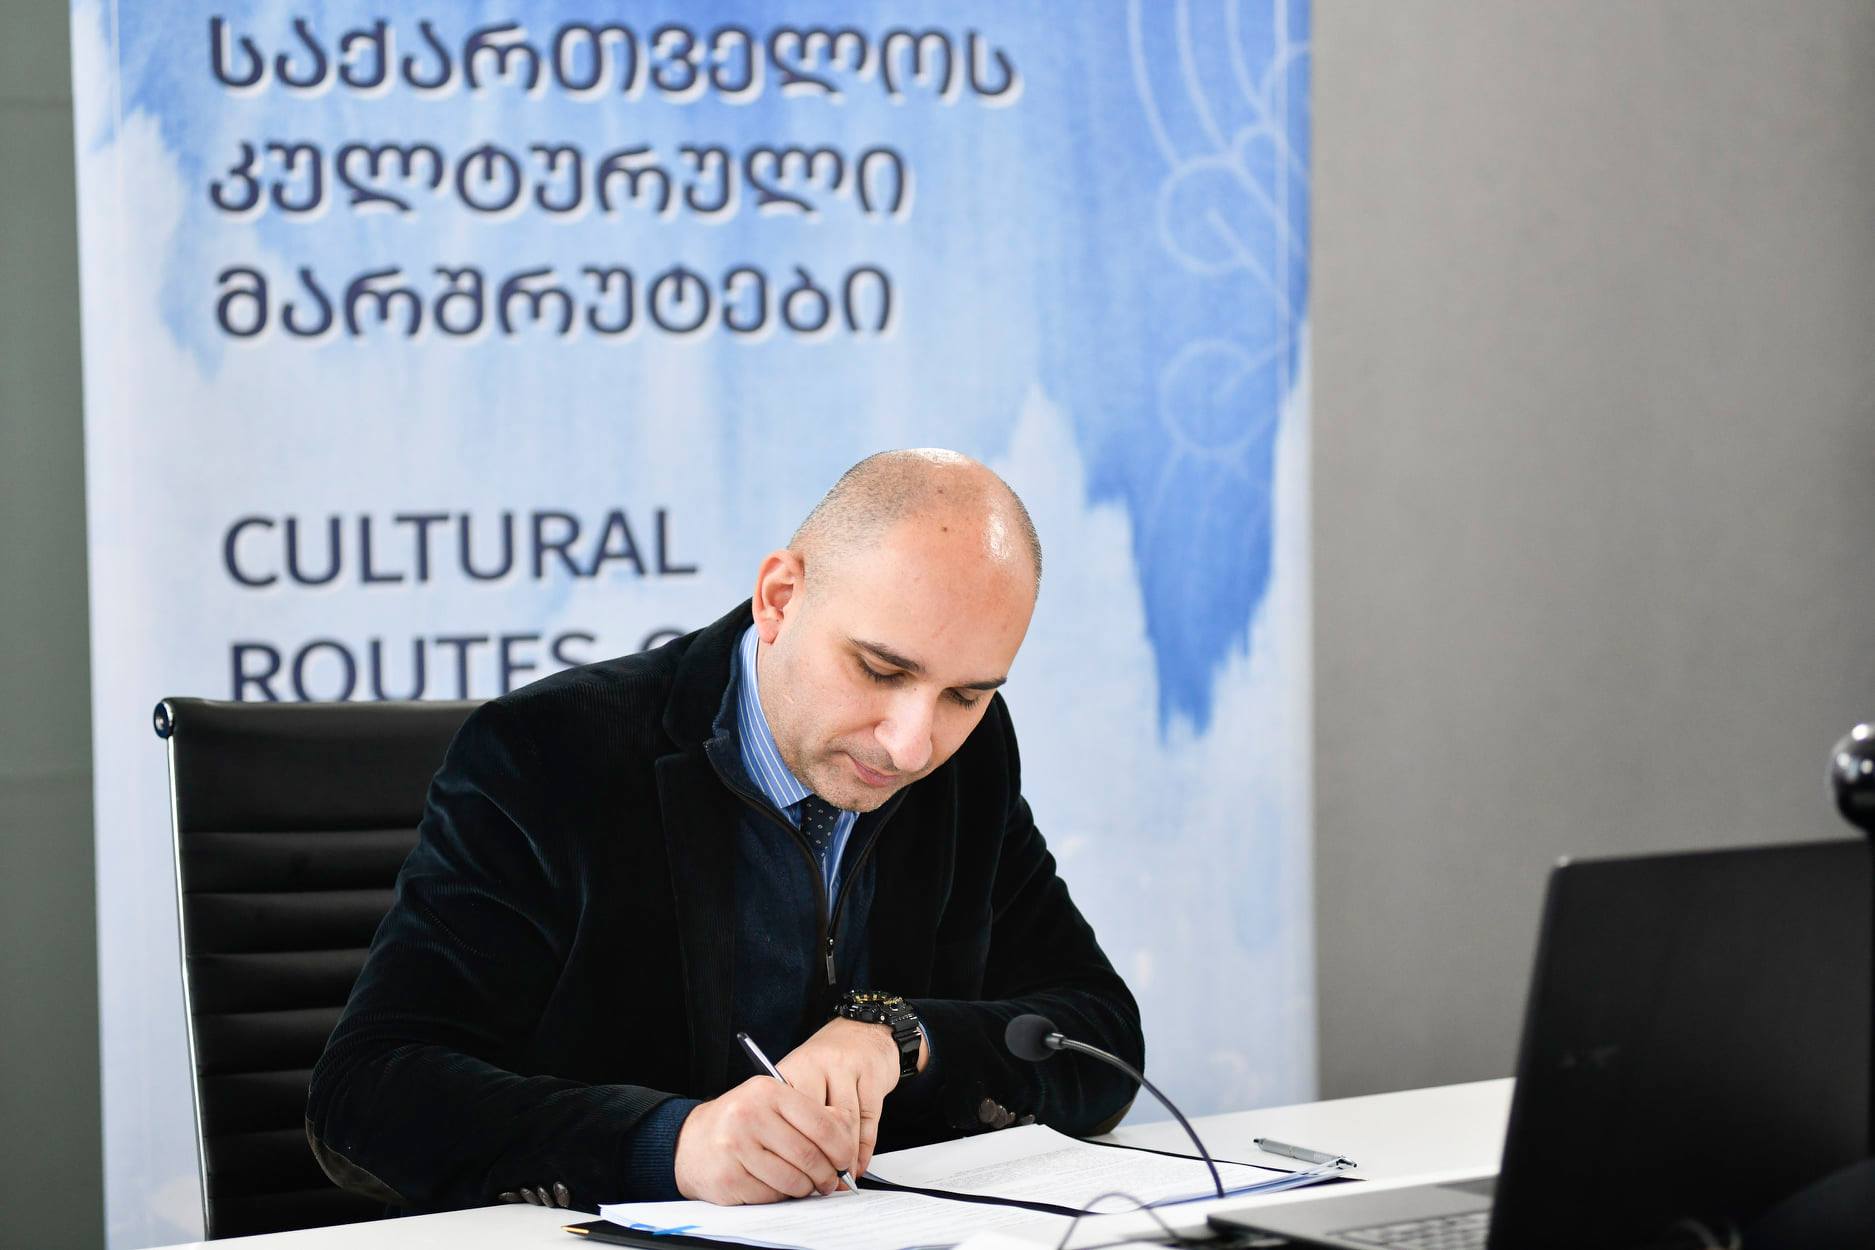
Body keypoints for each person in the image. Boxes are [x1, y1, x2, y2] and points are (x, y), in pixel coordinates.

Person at [306, 449, 1143, 1213]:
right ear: (779, 598)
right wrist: (671, 1145)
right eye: (880, 670)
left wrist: (906, 1038)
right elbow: (367, 1092)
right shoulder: (549, 753)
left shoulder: (968, 759)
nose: (911, 745)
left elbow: (1099, 1036)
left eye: (965, 695)